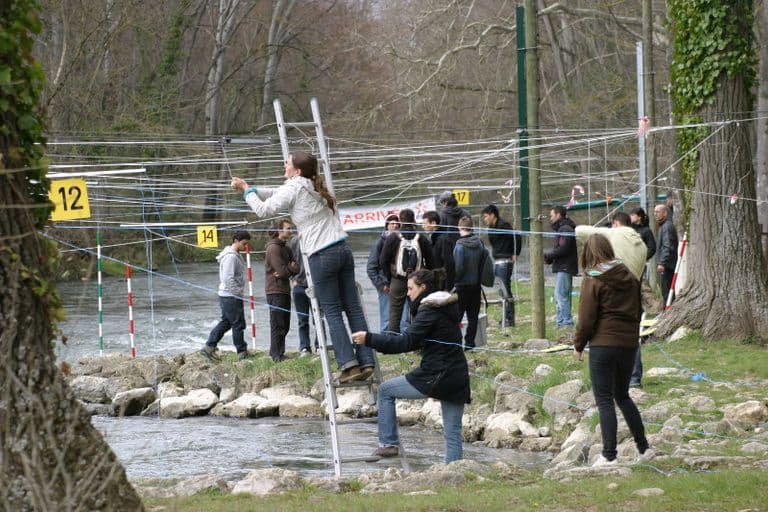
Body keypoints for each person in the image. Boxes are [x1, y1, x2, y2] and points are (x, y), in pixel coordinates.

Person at [231, 152, 375, 384]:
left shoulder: (296, 186)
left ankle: (349, 365)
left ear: (297, 170)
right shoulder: (311, 184)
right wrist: (251, 187)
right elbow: (277, 193)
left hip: (322, 254)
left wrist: (247, 192)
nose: (284, 165)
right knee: (353, 309)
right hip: (343, 250)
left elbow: (264, 210)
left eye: (287, 162)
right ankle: (367, 359)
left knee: (331, 311)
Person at [351, 269, 470, 463]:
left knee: (385, 390)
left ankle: (388, 444)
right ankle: (455, 474)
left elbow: (405, 342)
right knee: (453, 433)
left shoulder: (429, 310)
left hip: (436, 375)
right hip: (458, 376)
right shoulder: (447, 307)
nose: (407, 293)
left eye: (410, 288)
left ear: (423, 288)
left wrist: (369, 338)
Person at [573, 234, 650, 466]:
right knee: (623, 395)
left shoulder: (593, 279)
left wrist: (578, 345)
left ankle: (609, 456)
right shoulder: (630, 276)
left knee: (604, 399)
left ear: (588, 253)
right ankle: (644, 448)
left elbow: (586, 319)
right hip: (628, 344)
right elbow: (638, 311)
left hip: (603, 345)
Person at [575, 211, 648, 387]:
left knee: (605, 396)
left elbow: (581, 231)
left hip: (611, 289)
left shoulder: (615, 234)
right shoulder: (640, 242)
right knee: (630, 332)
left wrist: (579, 344)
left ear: (615, 223)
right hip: (631, 288)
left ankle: (615, 378)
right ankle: (634, 377)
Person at [379, 208, 434, 333]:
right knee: (418, 310)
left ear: (400, 221)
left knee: (394, 312)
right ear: (414, 220)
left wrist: (389, 279)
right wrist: (425, 277)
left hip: (397, 279)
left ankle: (392, 341)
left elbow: (383, 261)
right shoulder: (422, 238)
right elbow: (431, 261)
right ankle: (416, 340)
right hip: (417, 280)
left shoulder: (393, 237)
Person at [201, 230, 252, 361]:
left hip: (228, 295)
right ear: (236, 241)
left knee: (227, 322)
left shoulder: (234, 254)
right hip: (230, 296)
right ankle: (242, 352)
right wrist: (237, 294)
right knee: (238, 324)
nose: (246, 247)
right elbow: (227, 278)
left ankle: (208, 348)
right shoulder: (231, 256)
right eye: (244, 244)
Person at [481, 204, 522, 327]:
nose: (485, 219)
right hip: (498, 260)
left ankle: (509, 319)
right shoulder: (491, 228)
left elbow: (517, 237)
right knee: (502, 290)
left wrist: (515, 253)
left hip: (505, 260)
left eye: (486, 216)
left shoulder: (503, 225)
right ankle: (506, 317)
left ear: (493, 215)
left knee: (505, 289)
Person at [265, 219, 299, 362]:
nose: (290, 230)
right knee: (277, 323)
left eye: (291, 228)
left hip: (285, 289)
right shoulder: (273, 248)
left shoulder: (287, 248)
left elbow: (297, 267)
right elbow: (281, 271)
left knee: (285, 324)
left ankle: (279, 352)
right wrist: (288, 269)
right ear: (279, 230)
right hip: (274, 290)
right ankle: (276, 355)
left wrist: (288, 269)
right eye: (288, 228)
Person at [453, 216, 485, 350]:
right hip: (476, 285)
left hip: (462, 286)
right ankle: (470, 344)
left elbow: (459, 267)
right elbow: (484, 263)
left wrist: (455, 281)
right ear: (471, 227)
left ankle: (456, 343)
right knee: (473, 317)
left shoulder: (459, 246)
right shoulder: (480, 244)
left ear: (460, 228)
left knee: (457, 317)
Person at [544, 205, 578, 328]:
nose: (550, 218)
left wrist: (549, 256)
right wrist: (551, 258)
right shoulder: (563, 229)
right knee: (560, 295)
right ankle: (560, 322)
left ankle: (566, 322)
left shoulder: (565, 229)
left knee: (561, 295)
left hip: (565, 267)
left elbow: (563, 248)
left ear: (558, 214)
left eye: (551, 215)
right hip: (563, 266)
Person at [367, 214, 401, 331]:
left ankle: (402, 341)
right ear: (387, 226)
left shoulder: (403, 240)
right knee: (386, 316)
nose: (395, 225)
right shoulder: (380, 243)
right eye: (392, 223)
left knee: (402, 316)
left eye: (397, 223)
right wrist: (381, 285)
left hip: (401, 284)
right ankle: (385, 340)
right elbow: (371, 267)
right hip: (385, 285)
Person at [288, 233, 314, 356]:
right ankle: (304, 347)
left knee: (318, 318)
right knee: (302, 319)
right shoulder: (294, 241)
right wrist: (292, 278)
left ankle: (319, 345)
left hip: (315, 284)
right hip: (299, 284)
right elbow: (288, 260)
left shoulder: (316, 236)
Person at [422, 210, 455, 290]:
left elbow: (448, 263)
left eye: (425, 223)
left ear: (433, 223)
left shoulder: (443, 239)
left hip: (443, 283)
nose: (423, 226)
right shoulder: (433, 239)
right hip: (436, 280)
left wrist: (446, 286)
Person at [654, 204, 678, 303]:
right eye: (654, 212)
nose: (655, 214)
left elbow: (668, 246)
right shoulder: (663, 226)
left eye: (657, 212)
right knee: (666, 291)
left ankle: (669, 310)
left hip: (668, 266)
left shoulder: (667, 226)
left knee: (667, 292)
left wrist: (662, 262)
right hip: (667, 265)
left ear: (665, 213)